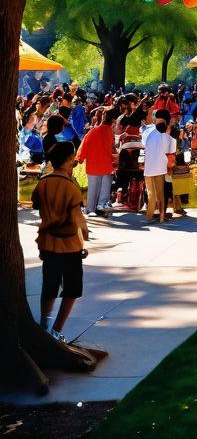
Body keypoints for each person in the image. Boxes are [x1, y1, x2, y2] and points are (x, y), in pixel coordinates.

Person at [32, 141, 89, 343]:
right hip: (70, 245)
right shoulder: (71, 186)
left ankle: (44, 327)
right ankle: (56, 330)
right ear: (68, 160)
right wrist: (85, 231)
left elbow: (37, 205)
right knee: (72, 289)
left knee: (49, 287)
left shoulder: (43, 182)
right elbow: (76, 215)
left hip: (47, 243)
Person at [76, 108, 116, 216]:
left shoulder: (93, 131)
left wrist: (80, 157)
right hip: (106, 164)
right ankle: (101, 206)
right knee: (105, 188)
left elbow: (84, 144)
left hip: (93, 164)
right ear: (113, 121)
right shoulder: (110, 132)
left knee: (93, 189)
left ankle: (90, 209)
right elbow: (112, 149)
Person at [143, 118, 175, 223]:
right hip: (160, 168)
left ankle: (149, 216)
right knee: (160, 193)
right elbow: (172, 151)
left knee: (151, 193)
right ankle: (161, 217)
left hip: (148, 168)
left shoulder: (149, 135)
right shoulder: (167, 138)